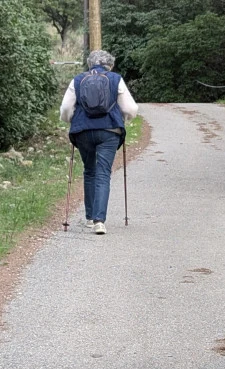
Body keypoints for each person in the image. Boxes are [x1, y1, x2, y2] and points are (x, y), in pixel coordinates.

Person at [59, 50, 138, 235]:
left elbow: (66, 108)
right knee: (103, 173)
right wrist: (124, 120)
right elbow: (130, 108)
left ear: (89, 64)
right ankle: (99, 221)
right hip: (109, 131)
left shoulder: (78, 80)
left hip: (83, 132)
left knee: (89, 171)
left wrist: (71, 121)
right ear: (110, 65)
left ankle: (89, 217)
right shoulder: (115, 79)